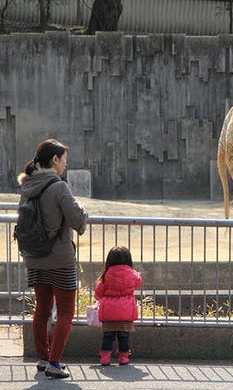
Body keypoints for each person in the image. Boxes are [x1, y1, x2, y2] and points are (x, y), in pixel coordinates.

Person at [17, 139, 88, 379]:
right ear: (55, 160)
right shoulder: (59, 187)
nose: (66, 165)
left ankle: (42, 358)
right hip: (60, 259)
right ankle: (54, 363)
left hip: (34, 257)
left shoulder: (27, 186)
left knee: (42, 311)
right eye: (64, 160)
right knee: (66, 312)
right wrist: (82, 208)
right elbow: (78, 221)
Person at [94, 246, 142, 366]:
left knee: (108, 336)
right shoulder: (132, 274)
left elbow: (98, 293)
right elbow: (138, 282)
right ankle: (124, 357)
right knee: (124, 336)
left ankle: (105, 357)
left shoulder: (105, 276)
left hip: (109, 312)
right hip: (126, 312)